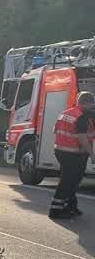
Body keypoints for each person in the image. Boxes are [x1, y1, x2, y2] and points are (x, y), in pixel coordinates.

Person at [49, 90, 95, 220]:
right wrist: (92, 154)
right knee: (68, 181)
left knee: (72, 180)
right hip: (74, 153)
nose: (93, 107)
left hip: (61, 151)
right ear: (87, 103)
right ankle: (55, 210)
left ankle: (70, 206)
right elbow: (81, 137)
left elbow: (55, 130)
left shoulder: (66, 113)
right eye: (92, 104)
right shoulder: (82, 116)